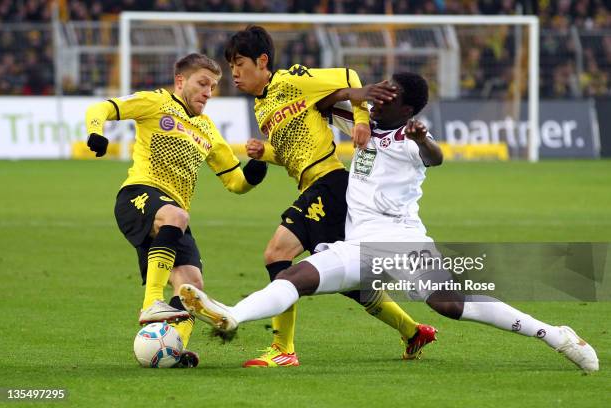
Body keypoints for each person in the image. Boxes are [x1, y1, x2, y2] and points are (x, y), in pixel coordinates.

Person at [178, 72, 599, 373]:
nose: (380, 100)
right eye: (382, 92)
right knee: (294, 274)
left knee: (448, 304)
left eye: (389, 96)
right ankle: (230, 314)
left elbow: (436, 157)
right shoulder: (364, 125)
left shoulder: (410, 140)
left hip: (401, 242)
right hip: (357, 246)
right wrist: (360, 97)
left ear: (409, 109)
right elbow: (322, 103)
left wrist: (421, 138)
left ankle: (554, 334)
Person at [224, 25, 435, 367]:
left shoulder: (292, 81)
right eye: (231, 64)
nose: (233, 72)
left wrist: (362, 118)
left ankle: (283, 350)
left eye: (239, 63)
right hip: (314, 186)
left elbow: (348, 76)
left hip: (330, 183)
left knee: (276, 253)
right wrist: (267, 152)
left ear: (262, 61)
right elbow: (294, 154)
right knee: (352, 283)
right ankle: (412, 331)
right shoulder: (261, 108)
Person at [84, 53, 267, 367]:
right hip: (138, 195)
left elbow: (235, 183)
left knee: (192, 287)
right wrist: (95, 131)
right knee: (177, 215)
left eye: (212, 86)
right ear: (181, 81)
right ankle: (151, 303)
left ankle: (173, 349)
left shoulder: (207, 129)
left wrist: (255, 171)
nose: (208, 92)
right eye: (202, 83)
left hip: (172, 217)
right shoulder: (156, 102)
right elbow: (100, 107)